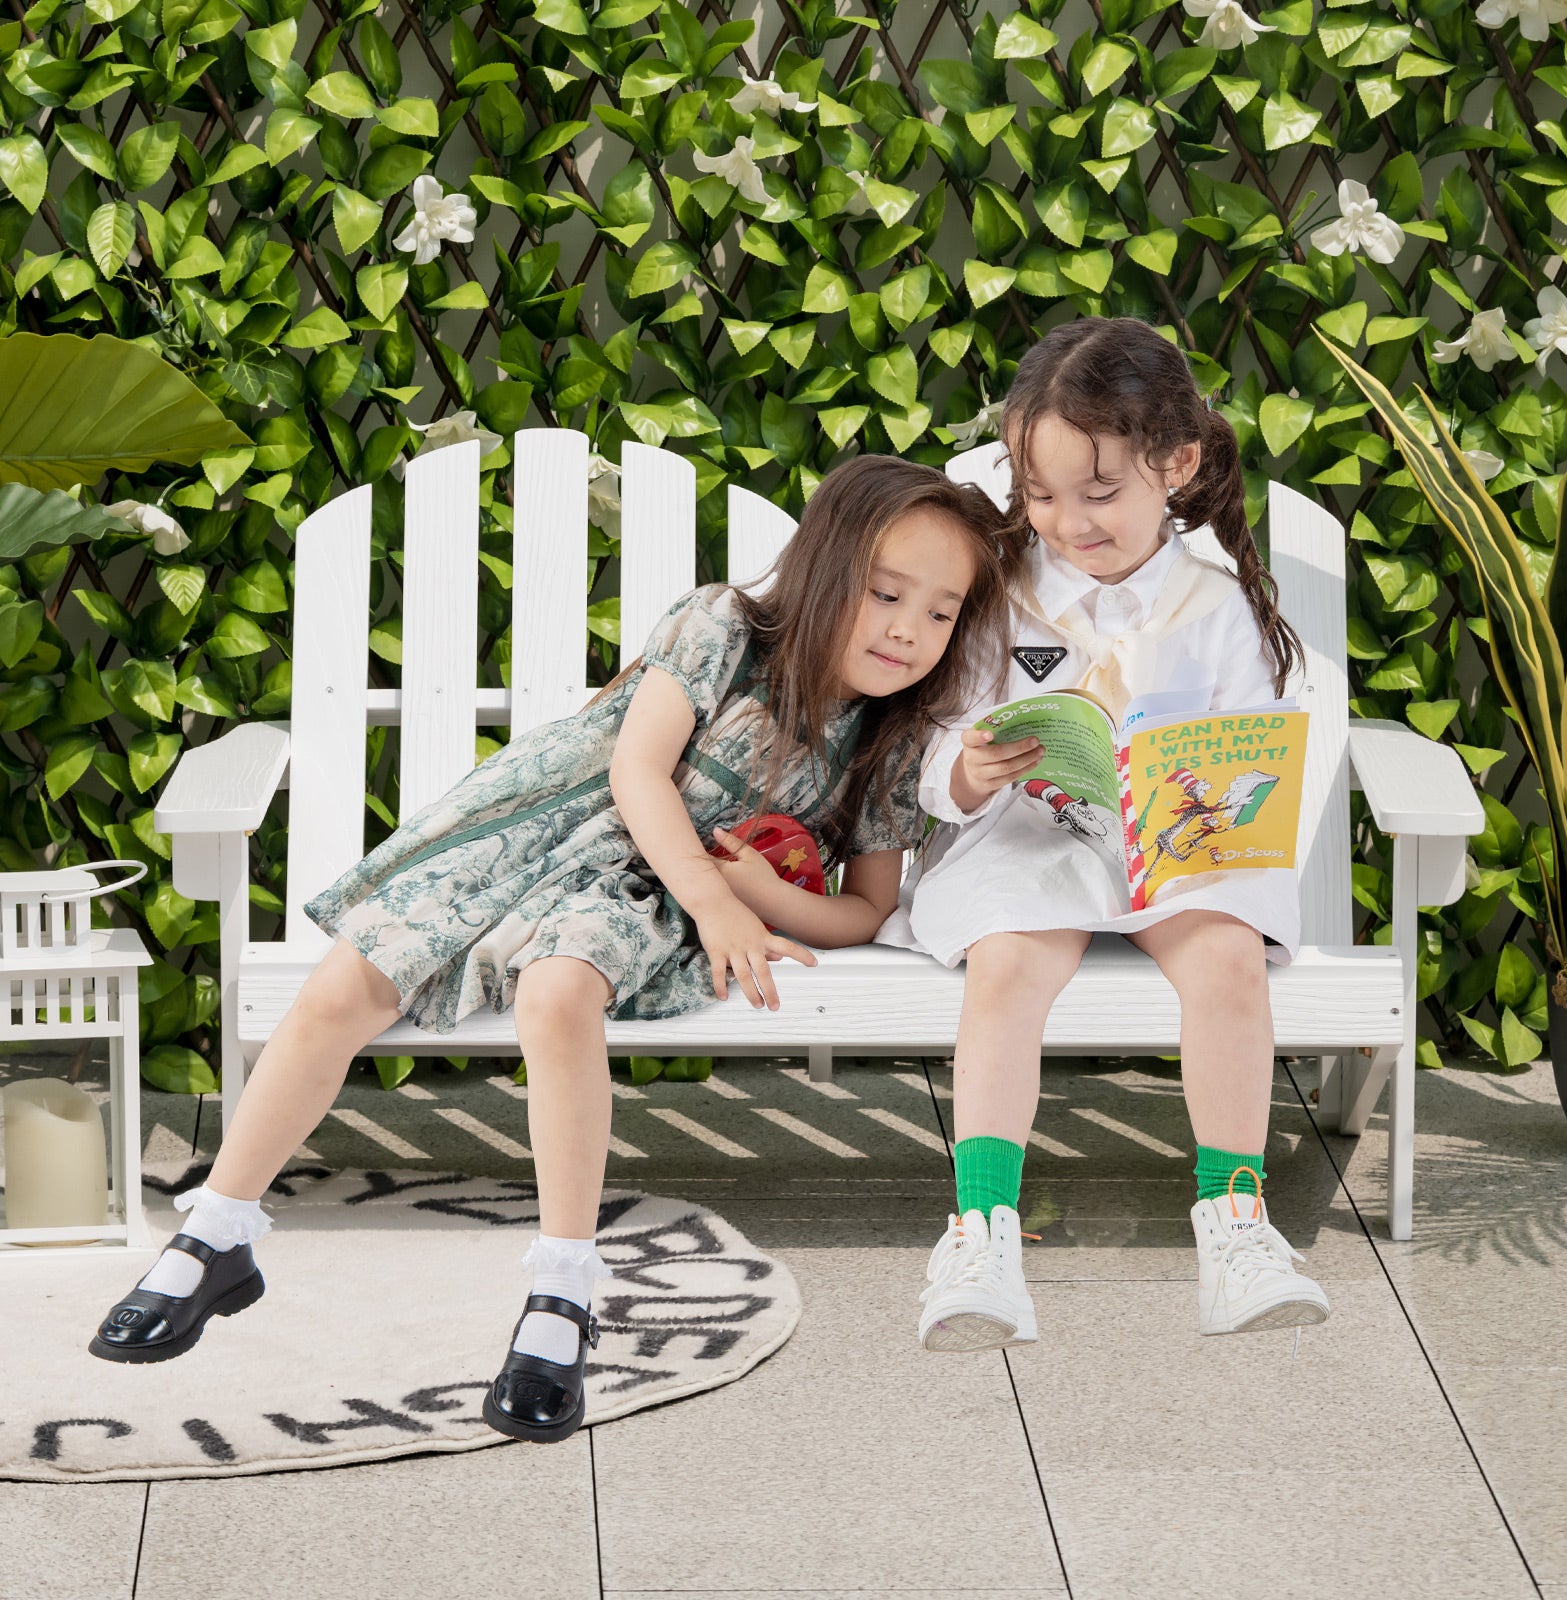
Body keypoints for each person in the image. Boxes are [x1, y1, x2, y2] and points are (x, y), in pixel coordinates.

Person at [89, 454, 1008, 1443]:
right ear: (827, 568)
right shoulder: (721, 627)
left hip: (645, 892)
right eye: (885, 593)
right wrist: (717, 890)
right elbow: (636, 768)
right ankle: (219, 1231)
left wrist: (745, 893)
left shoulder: (889, 739)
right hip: (538, 828)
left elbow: (865, 909)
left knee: (557, 991)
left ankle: (562, 1293)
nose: (909, 627)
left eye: (942, 610)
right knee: (344, 987)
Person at [883, 317, 1332, 1350]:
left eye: (1098, 494)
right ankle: (982, 1228)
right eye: (1041, 497)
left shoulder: (1214, 608)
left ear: (1172, 465)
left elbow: (1250, 754)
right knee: (1009, 960)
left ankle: (1235, 1223)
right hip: (1027, 837)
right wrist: (971, 767)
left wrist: (1200, 798)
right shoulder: (999, 592)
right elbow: (942, 738)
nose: (1068, 523)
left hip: (1173, 843)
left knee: (1225, 957)